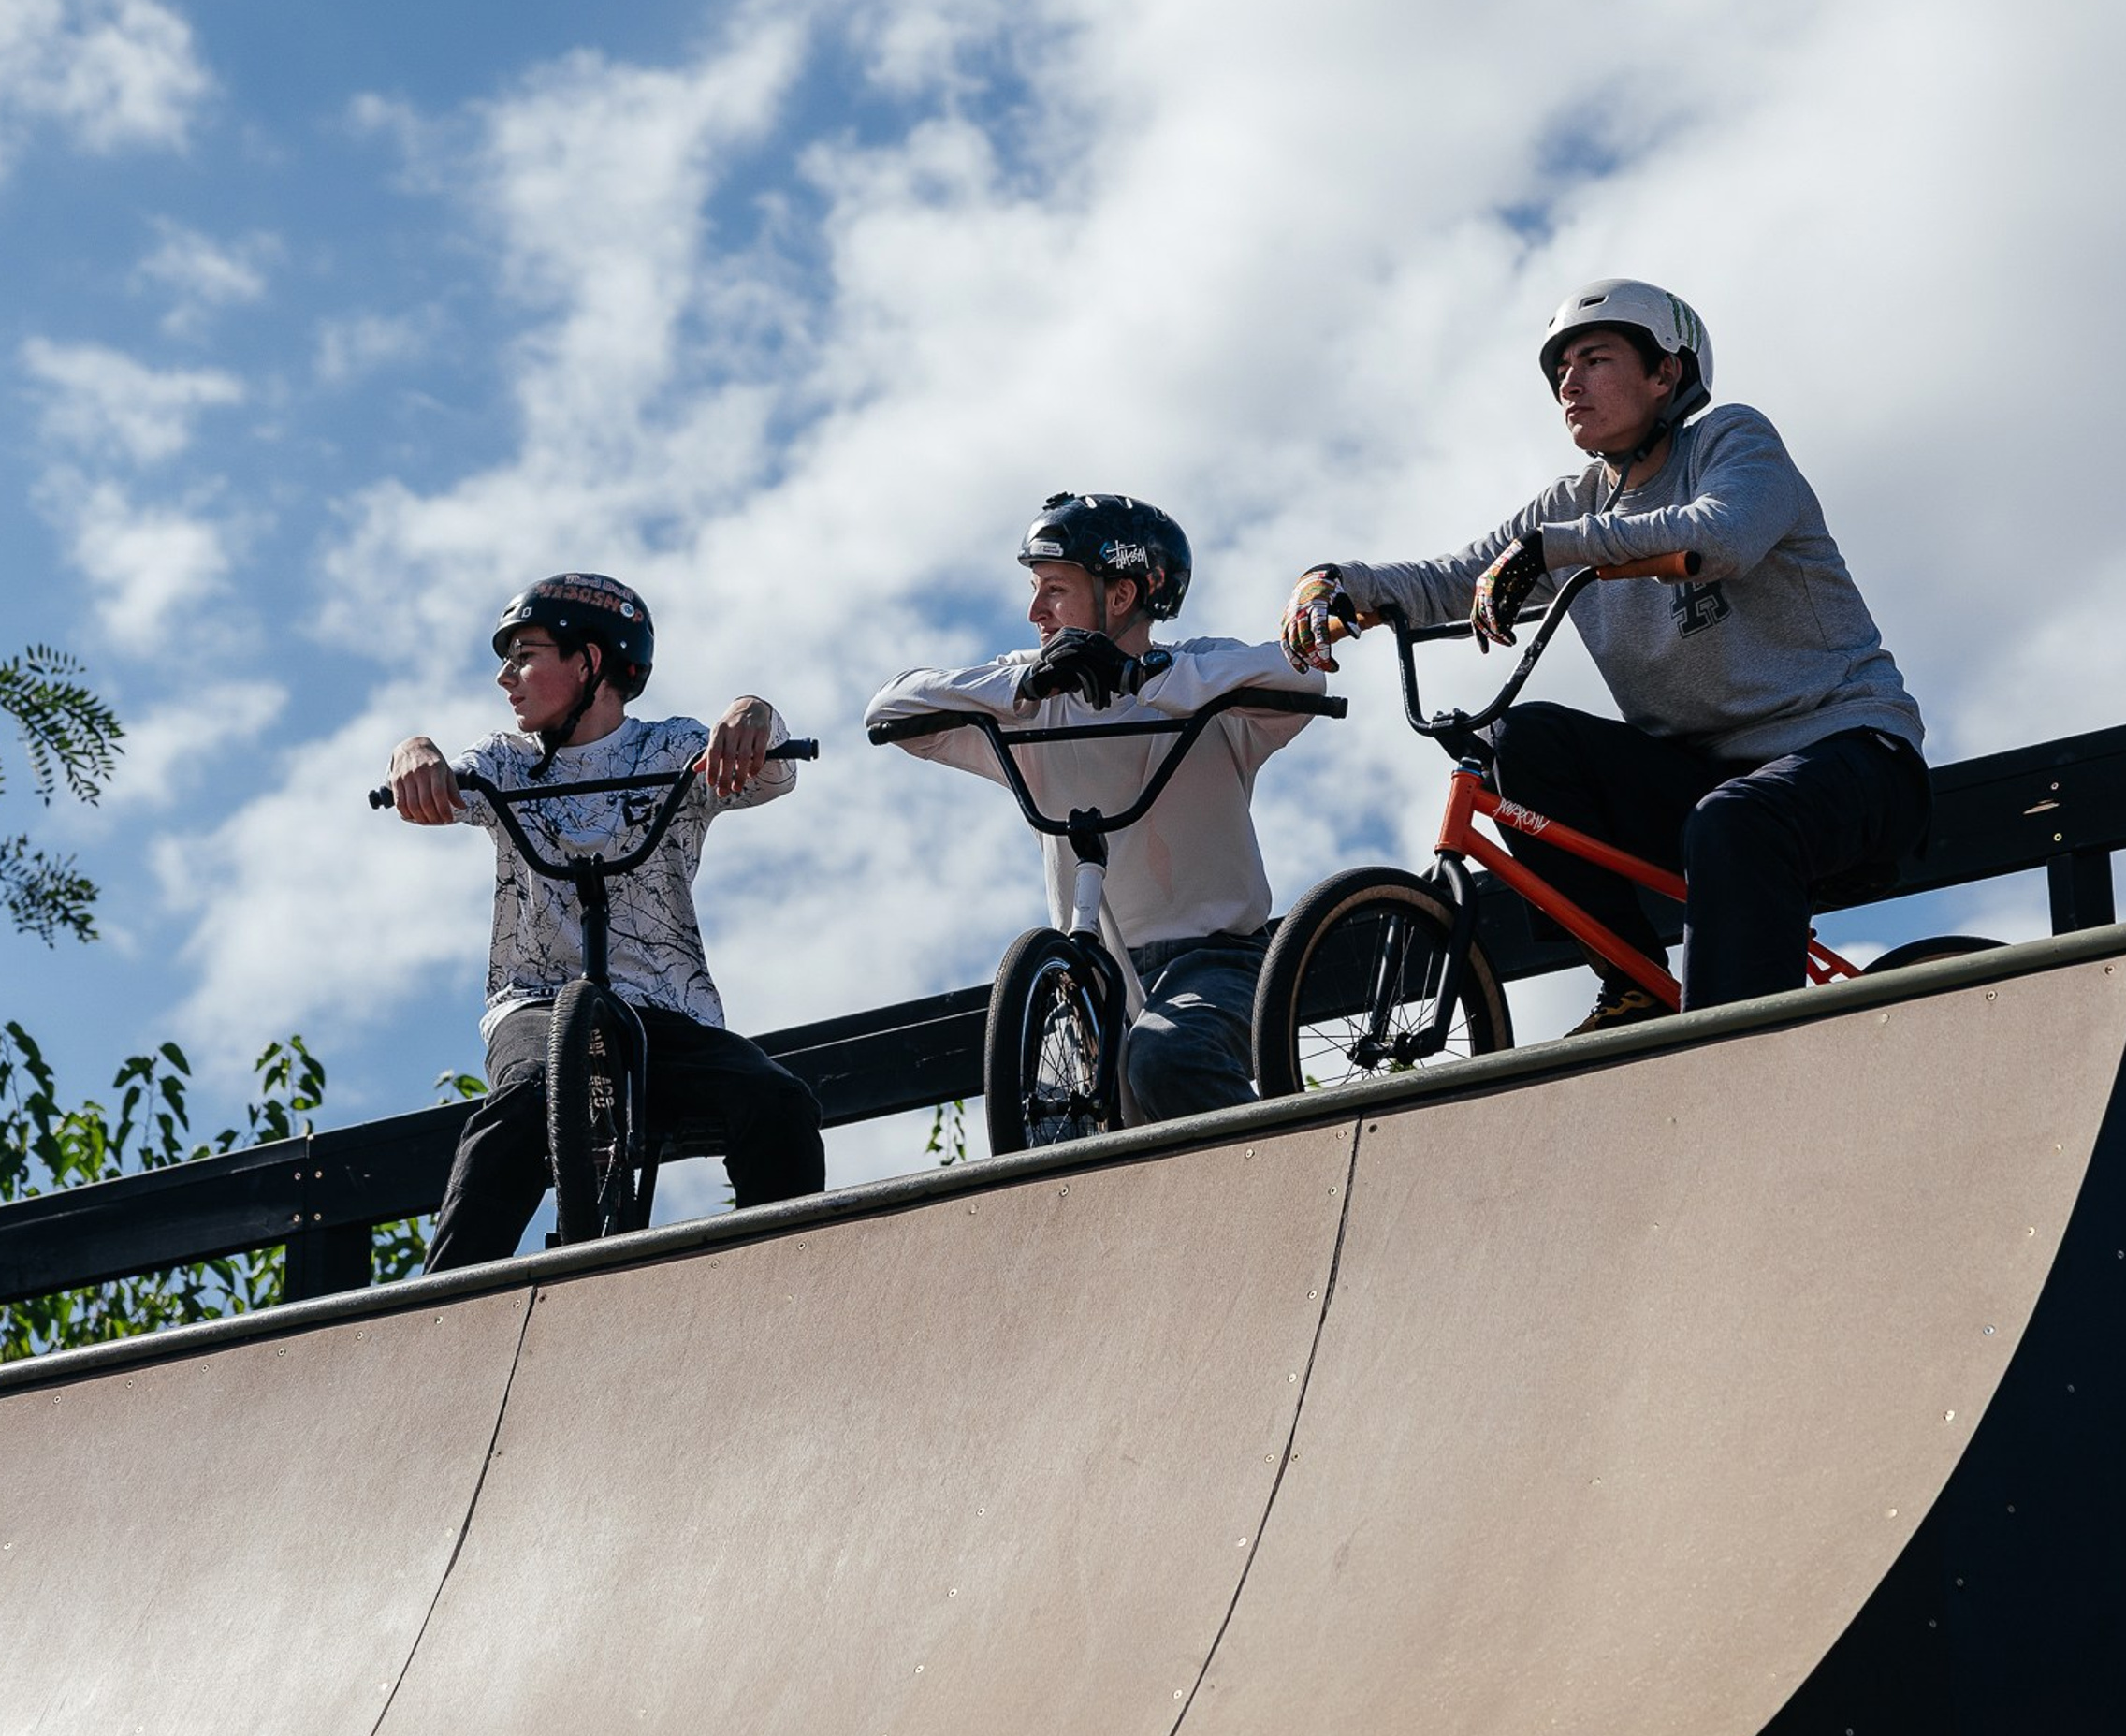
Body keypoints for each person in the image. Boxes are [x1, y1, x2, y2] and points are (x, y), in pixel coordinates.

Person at [1281, 279, 1928, 1028]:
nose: (1569, 382)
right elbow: (1448, 582)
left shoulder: (1732, 441)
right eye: (1561, 369)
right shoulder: (1570, 506)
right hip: (1699, 784)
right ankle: (1635, 988)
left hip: (1852, 757)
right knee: (1519, 742)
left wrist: (1550, 550)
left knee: (1735, 819)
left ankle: (1723, 1062)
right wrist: (1331, 583)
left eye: (1594, 359)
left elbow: (1720, 535)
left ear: (1666, 375)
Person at [385, 573, 823, 1267]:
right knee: (523, 1101)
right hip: (534, 1005)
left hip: (665, 1012)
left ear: (589, 664)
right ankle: (439, 1315)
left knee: (776, 1101)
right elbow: (445, 777)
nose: (506, 677)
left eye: (525, 654)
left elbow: (775, 772)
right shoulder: (504, 762)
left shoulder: (669, 751)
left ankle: (786, 1279)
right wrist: (414, 752)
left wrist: (755, 713)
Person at [869, 493, 1330, 1122]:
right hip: (1088, 975)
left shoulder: (1196, 674)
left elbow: (1303, 676)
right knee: (1054, 1114)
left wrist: (1141, 678)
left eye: (1054, 589)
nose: (1034, 611)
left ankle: (1278, 1187)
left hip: (1220, 960)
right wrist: (1026, 685)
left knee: (1171, 1057)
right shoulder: (1027, 695)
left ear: (1120, 596)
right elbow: (890, 711)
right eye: (1035, 589)